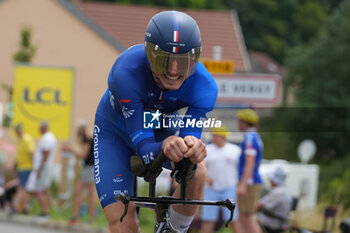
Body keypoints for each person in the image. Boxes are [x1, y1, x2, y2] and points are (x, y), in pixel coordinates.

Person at [93, 10, 218, 233]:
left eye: (183, 62)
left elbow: (189, 139)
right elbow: (144, 150)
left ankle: (174, 230)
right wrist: (166, 144)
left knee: (197, 169)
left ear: (195, 59)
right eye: (163, 61)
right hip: (115, 134)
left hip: (161, 127)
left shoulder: (205, 86)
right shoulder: (127, 71)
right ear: (150, 56)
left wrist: (192, 147)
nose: (172, 71)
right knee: (123, 224)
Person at [201, 126, 241, 233]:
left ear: (223, 137)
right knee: (209, 219)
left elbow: (240, 169)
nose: (214, 138)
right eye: (213, 136)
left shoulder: (235, 150)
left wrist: (239, 184)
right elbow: (201, 167)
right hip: (211, 189)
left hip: (229, 188)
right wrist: (206, 178)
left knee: (233, 219)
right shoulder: (207, 149)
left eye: (216, 136)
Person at [62, 120, 97, 225]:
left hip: (90, 168)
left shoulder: (86, 140)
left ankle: (83, 217)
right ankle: (83, 216)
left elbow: (83, 155)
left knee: (86, 192)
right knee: (84, 192)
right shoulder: (87, 139)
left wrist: (71, 149)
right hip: (90, 168)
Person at [236, 109, 263, 233]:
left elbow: (250, 161)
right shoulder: (254, 136)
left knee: (247, 218)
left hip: (249, 182)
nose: (238, 123)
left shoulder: (250, 137)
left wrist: (242, 184)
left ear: (245, 122)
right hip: (251, 182)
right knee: (244, 217)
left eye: (239, 120)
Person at [26, 121, 57, 217]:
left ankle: (45, 212)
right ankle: (45, 211)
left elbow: (46, 152)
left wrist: (40, 168)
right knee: (43, 189)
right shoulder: (51, 137)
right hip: (46, 166)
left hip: (43, 167)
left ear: (43, 128)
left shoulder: (46, 138)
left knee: (38, 190)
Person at [257, 167, 292, 233]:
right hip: (282, 222)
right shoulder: (286, 190)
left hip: (274, 223)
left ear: (274, 180)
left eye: (271, 179)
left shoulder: (277, 192)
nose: (270, 181)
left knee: (249, 220)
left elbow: (259, 205)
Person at [14, 123, 35, 214]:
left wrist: (35, 166)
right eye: (17, 130)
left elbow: (31, 153)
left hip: (27, 167)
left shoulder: (26, 139)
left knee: (22, 188)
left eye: (19, 129)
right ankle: (24, 208)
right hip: (21, 167)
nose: (18, 131)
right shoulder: (19, 140)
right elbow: (18, 155)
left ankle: (18, 207)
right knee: (25, 188)